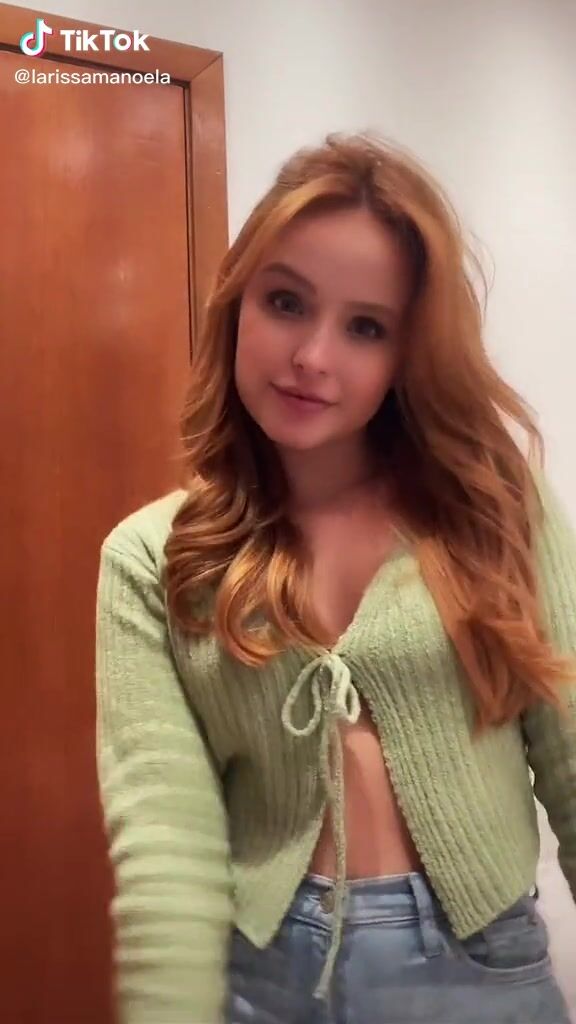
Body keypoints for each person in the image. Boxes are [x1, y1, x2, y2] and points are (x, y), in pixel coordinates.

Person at [95, 131, 576, 1024]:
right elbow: (165, 839)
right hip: (261, 976)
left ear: (408, 353)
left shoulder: (495, 506)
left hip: (480, 969)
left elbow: (574, 757)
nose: (312, 356)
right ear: (238, 303)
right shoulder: (151, 557)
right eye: (286, 302)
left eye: (366, 327)